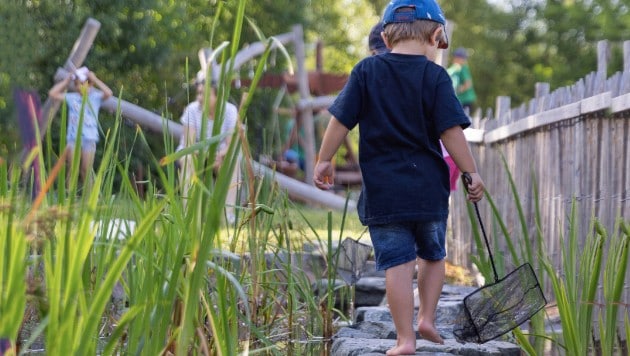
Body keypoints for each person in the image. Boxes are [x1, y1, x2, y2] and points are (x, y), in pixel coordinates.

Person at [313, 0, 484, 354]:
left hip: (384, 192)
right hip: (428, 192)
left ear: (386, 38)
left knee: (396, 263)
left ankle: (405, 339)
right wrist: (471, 172)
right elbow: (451, 132)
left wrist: (323, 160)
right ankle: (428, 320)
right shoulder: (435, 76)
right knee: (433, 256)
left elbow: (340, 120)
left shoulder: (365, 71)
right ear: (437, 35)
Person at [177, 76, 240, 223]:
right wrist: (208, 156)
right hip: (195, 154)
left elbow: (231, 144)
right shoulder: (192, 110)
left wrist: (219, 155)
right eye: (198, 93)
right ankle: (189, 214)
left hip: (219, 156)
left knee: (233, 162)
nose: (200, 97)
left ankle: (227, 215)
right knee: (187, 160)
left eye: (205, 94)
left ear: (217, 96)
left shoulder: (230, 111)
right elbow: (189, 145)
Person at [49, 66, 113, 189]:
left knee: (86, 170)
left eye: (83, 84)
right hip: (73, 138)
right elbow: (53, 93)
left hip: (89, 139)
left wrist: (95, 79)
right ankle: (68, 199)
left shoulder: (95, 97)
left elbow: (108, 93)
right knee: (72, 169)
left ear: (90, 85)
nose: (79, 87)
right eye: (77, 84)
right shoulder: (72, 97)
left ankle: (89, 200)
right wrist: (66, 82)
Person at [447, 47, 477, 114]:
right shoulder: (454, 68)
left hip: (466, 100)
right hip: (459, 100)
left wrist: (457, 91)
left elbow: (468, 84)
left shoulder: (463, 68)